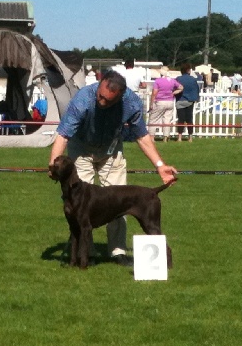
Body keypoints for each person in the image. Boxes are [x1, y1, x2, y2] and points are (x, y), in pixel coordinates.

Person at [48, 70, 178, 265]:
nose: (102, 102)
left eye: (108, 101)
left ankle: (118, 252)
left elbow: (142, 136)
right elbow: (63, 134)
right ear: (100, 84)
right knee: (80, 205)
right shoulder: (83, 99)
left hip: (111, 148)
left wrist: (160, 165)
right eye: (100, 96)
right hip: (81, 148)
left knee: (118, 202)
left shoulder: (131, 102)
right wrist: (53, 165)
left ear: (120, 95)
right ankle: (86, 255)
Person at [149, 66, 182, 140]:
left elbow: (154, 93)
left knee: (153, 119)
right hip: (170, 101)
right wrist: (174, 92)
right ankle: (166, 137)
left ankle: (152, 137)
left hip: (160, 101)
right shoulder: (172, 80)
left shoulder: (157, 81)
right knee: (167, 120)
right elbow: (181, 87)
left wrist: (151, 103)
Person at [175, 63, 200, 142]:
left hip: (180, 100)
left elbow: (174, 88)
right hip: (190, 101)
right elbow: (196, 89)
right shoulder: (193, 79)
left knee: (180, 119)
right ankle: (190, 137)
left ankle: (179, 137)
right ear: (188, 70)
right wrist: (196, 98)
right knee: (189, 119)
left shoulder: (178, 79)